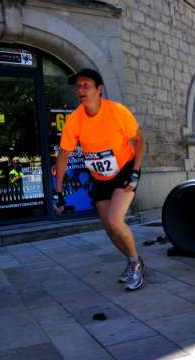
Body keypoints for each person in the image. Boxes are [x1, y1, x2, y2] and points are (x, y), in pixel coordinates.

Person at [53, 68, 147, 291]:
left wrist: (135, 170)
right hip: (99, 177)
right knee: (109, 229)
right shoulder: (75, 120)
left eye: (86, 85)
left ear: (99, 89)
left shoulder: (117, 112)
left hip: (125, 169)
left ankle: (135, 265)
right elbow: (63, 156)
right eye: (77, 86)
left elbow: (140, 140)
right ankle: (135, 262)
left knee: (115, 220)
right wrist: (58, 192)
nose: (80, 90)